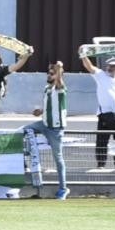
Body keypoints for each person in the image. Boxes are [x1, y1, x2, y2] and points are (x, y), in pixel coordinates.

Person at [22, 62, 69, 199]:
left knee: (58, 158)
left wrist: (59, 68)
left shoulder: (60, 88)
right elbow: (51, 106)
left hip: (55, 129)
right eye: (48, 73)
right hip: (44, 123)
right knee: (22, 131)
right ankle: (25, 162)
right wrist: (40, 111)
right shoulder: (47, 88)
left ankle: (63, 188)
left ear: (58, 75)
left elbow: (59, 82)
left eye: (51, 73)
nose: (49, 75)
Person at [81, 54, 115, 171]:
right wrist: (83, 55)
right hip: (104, 114)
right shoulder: (101, 75)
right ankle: (101, 163)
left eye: (113, 66)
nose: (110, 68)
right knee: (102, 140)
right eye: (109, 66)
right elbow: (89, 66)